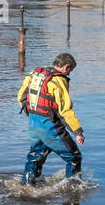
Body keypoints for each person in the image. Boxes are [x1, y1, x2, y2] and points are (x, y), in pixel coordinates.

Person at [18, 52, 84, 185]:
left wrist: (33, 115)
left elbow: (21, 97)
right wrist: (77, 132)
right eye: (70, 71)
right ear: (66, 67)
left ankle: (27, 185)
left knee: (35, 156)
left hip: (34, 123)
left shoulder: (34, 74)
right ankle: (73, 188)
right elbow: (65, 110)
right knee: (74, 157)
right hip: (50, 126)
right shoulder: (58, 80)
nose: (68, 74)